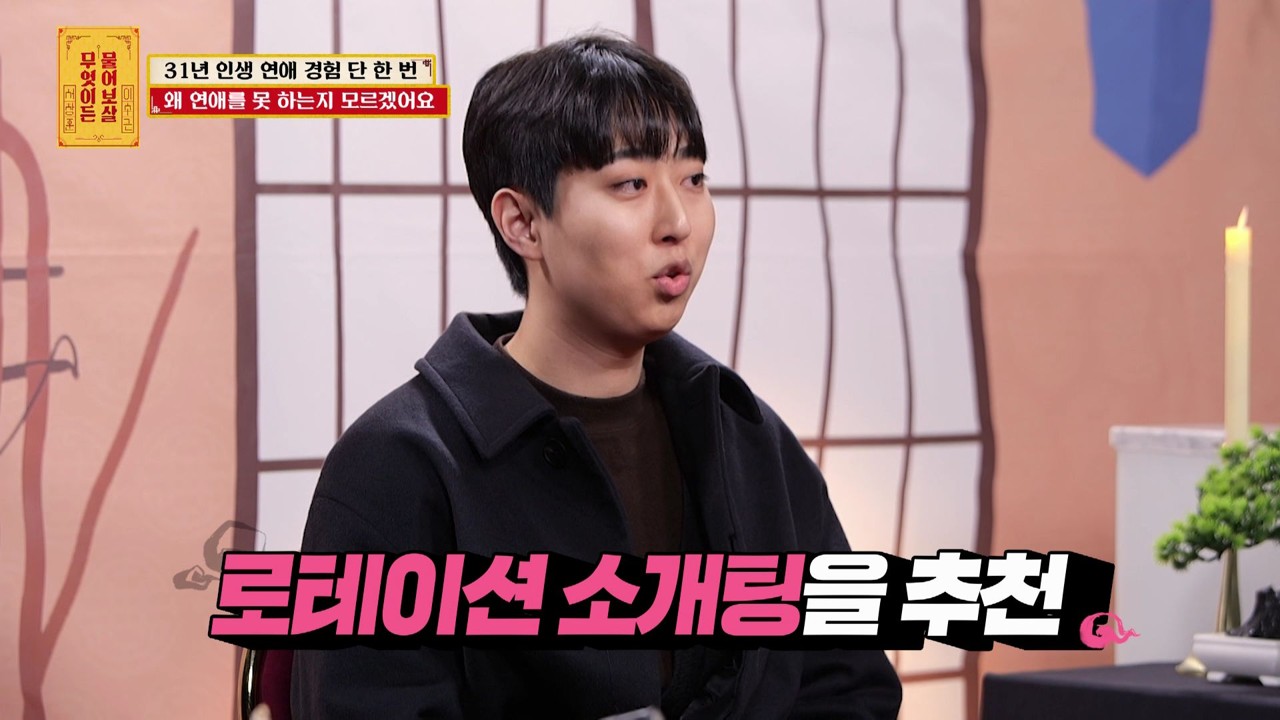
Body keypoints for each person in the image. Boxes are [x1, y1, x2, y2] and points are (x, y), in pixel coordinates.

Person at [290, 32, 902, 719]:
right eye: (630, 184)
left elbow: (851, 688)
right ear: (523, 223)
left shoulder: (748, 437)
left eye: (694, 179)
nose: (678, 222)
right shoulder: (397, 467)